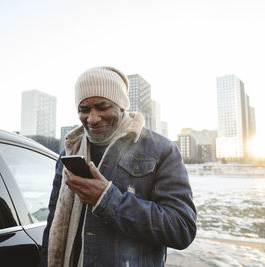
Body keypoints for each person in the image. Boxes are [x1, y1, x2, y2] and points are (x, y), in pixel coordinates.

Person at [40, 66, 196, 267]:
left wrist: (108, 200)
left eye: (102, 107)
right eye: (84, 110)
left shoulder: (161, 150)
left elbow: (182, 228)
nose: (92, 119)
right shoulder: (69, 153)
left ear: (122, 106)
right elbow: (53, 224)